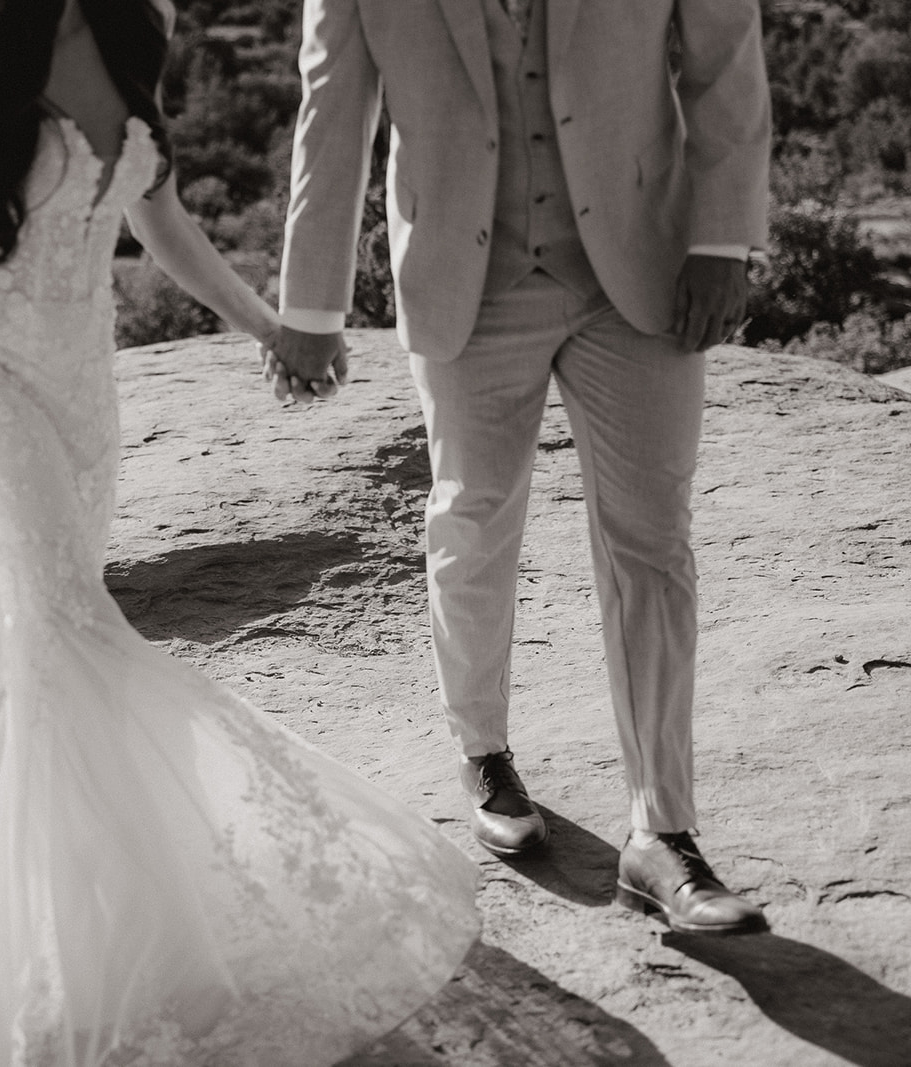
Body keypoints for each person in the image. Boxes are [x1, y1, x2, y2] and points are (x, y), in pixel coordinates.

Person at [0, 0, 480, 1061]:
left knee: (12, 680)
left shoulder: (134, 27)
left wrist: (272, 330)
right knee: (57, 643)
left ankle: (44, 937)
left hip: (79, 401)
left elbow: (160, 222)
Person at [269, 0, 772, 935]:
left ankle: (662, 832)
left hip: (644, 267)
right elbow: (333, 105)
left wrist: (721, 241)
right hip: (468, 274)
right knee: (473, 513)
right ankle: (485, 751)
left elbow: (723, 60)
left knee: (652, 541)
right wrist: (311, 307)